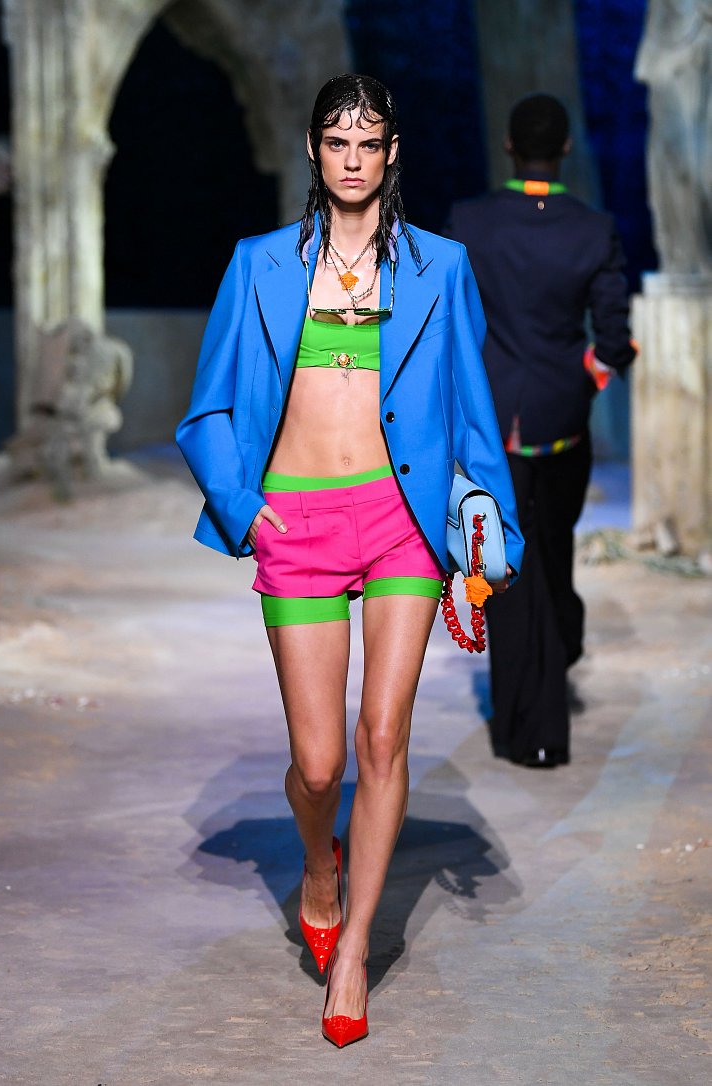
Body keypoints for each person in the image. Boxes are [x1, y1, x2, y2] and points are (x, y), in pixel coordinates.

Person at [177, 74, 523, 1048]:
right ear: (313, 149)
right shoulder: (258, 264)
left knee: (382, 738)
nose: (353, 159)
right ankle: (319, 867)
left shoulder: (440, 267)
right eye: (337, 142)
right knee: (319, 763)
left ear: (392, 152)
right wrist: (247, 510)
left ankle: (356, 949)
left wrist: (493, 530)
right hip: (296, 523)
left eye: (369, 143)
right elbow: (207, 409)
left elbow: (468, 409)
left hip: (400, 521)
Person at [449, 93, 637, 769]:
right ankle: (548, 710)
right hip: (561, 422)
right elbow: (613, 338)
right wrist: (590, 375)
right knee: (553, 555)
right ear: (563, 150)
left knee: (502, 567)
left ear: (508, 146)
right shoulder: (594, 229)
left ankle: (516, 724)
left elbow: (446, 321)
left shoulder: (468, 223)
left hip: (492, 422)